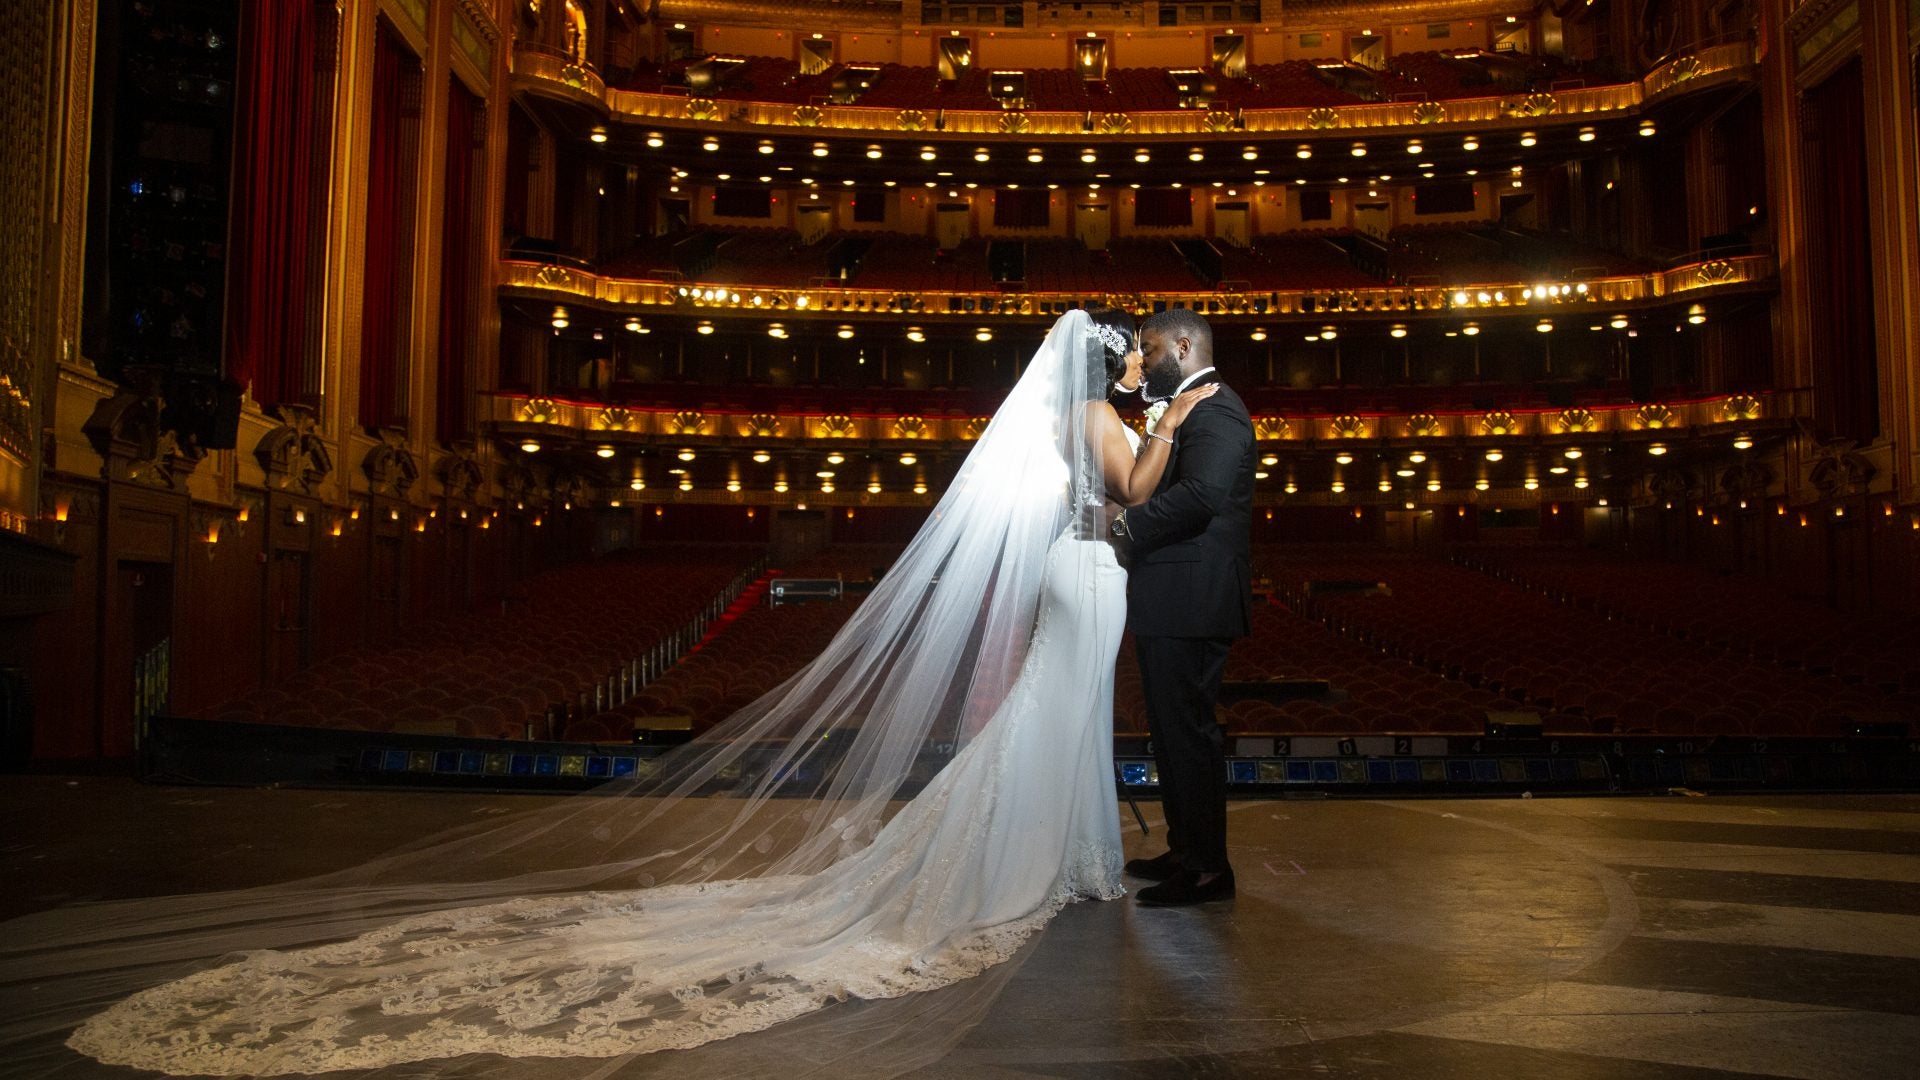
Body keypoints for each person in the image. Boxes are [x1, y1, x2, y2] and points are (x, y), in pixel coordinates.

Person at [11, 309, 1218, 1078]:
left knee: (1056, 719)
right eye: (1133, 357)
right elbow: (1140, 477)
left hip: (1083, 571)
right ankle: (1057, 864)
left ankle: (1069, 858)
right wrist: (1171, 416)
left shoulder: (1065, 409)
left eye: (1144, 361)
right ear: (1106, 362)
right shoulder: (1099, 418)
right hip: (1088, 568)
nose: (1137, 368)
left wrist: (1155, 414)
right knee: (1061, 715)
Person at [1109, 308, 1256, 906]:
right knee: (1171, 735)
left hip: (1193, 594)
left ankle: (1207, 869)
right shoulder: (1189, 405)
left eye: (1150, 348)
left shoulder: (1216, 405)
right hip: (1175, 593)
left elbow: (1202, 496)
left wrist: (1124, 524)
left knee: (1188, 735)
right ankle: (1185, 848)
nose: (1142, 360)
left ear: (1185, 344)